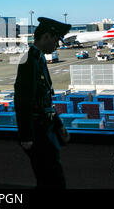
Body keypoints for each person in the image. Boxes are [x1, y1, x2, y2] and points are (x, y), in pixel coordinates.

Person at [14, 17, 71, 189]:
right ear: (46, 36)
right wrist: (26, 136)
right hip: (37, 133)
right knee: (52, 181)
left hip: (44, 129)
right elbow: (23, 99)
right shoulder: (29, 61)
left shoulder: (38, 59)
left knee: (49, 180)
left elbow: (43, 100)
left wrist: (58, 125)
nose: (57, 45)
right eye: (55, 40)